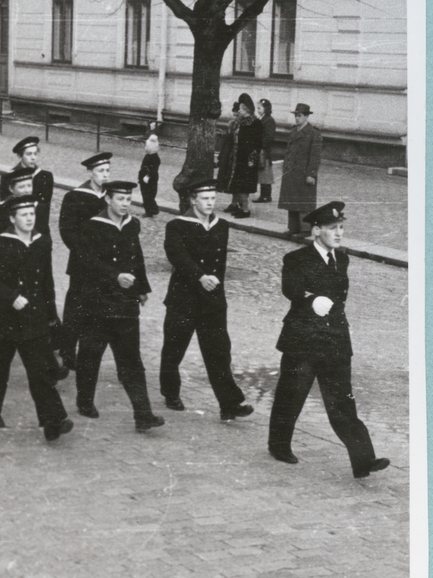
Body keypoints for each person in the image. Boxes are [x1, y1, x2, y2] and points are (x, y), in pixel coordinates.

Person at [267, 202, 389, 478]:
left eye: (341, 228)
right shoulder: (296, 259)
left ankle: (364, 461)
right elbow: (291, 287)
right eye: (333, 228)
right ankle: (278, 445)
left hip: (334, 339)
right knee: (292, 394)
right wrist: (310, 299)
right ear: (316, 230)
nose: (339, 233)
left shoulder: (341, 259)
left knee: (343, 401)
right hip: (303, 339)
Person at [0, 195, 73, 440]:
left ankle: (53, 421)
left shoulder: (41, 243)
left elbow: (46, 281)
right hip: (5, 320)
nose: (30, 218)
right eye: (24, 215)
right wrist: (10, 296)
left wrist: (51, 316)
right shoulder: (0, 244)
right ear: (12, 218)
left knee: (41, 371)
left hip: (34, 318)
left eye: (32, 214)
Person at [159, 178, 254, 419]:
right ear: (193, 200)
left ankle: (229, 404)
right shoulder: (177, 226)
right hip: (184, 300)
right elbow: (177, 256)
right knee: (174, 349)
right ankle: (171, 393)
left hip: (212, 302)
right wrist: (200, 276)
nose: (210, 203)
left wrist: (217, 293)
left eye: (213, 198)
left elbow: (220, 265)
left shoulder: (221, 226)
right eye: (205, 199)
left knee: (219, 353)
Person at [73, 181, 164, 432]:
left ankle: (143, 414)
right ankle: (84, 400)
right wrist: (114, 276)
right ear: (108, 199)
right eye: (120, 199)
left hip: (125, 303)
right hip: (97, 303)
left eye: (128, 199)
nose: (125, 204)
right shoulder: (92, 226)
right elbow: (87, 262)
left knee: (131, 361)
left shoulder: (132, 225)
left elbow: (137, 256)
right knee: (91, 354)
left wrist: (142, 287)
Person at [57, 152, 111, 370]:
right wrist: (85, 254)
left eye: (107, 170)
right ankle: (67, 350)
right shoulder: (75, 196)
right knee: (75, 309)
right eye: (100, 171)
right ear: (90, 173)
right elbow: (67, 231)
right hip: (82, 263)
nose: (105, 175)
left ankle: (92, 352)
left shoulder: (111, 195)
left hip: (106, 265)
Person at [278, 103, 322, 239]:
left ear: (307, 116)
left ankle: (305, 229)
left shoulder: (314, 133)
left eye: (300, 116)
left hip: (304, 174)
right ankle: (293, 227)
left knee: (303, 202)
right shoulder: (293, 131)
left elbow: (315, 156)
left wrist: (311, 174)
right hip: (291, 173)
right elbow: (288, 152)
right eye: (296, 116)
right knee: (291, 201)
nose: (297, 119)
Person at [216, 93, 262, 218]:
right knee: (238, 185)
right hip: (237, 159)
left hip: (247, 160)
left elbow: (257, 144)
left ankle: (246, 210)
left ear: (246, 109)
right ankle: (240, 207)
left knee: (244, 186)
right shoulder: (241, 123)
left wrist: (252, 160)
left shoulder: (255, 123)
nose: (239, 111)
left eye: (241, 109)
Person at [0, 136, 54, 238]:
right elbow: (6, 207)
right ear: (20, 156)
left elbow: (45, 208)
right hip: (16, 230)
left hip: (40, 229)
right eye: (29, 154)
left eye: (35, 154)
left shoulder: (46, 177)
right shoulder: (8, 177)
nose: (33, 157)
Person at [253, 98, 277, 204]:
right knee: (263, 173)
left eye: (260, 108)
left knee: (265, 172)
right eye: (257, 108)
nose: (258, 110)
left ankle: (266, 196)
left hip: (264, 151)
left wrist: (259, 144)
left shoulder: (269, 120)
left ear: (266, 109)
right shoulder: (262, 119)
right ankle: (264, 195)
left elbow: (269, 137)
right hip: (261, 149)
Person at [138, 132, 160, 218]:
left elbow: (153, 170)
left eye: (146, 146)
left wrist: (147, 176)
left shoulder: (153, 158)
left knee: (148, 195)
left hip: (149, 179)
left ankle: (152, 209)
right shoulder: (149, 156)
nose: (145, 148)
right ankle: (149, 210)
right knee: (146, 195)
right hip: (145, 178)